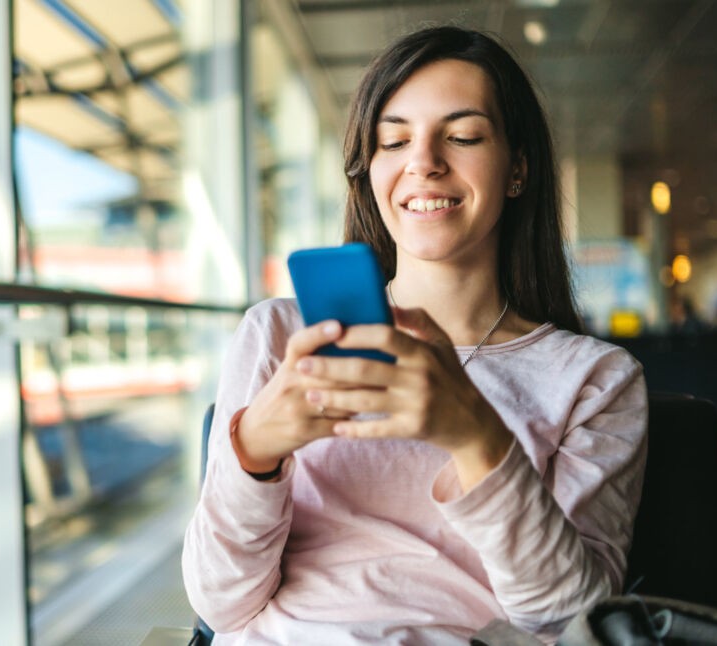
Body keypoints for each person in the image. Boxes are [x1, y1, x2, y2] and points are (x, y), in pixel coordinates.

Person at [182, 26, 647, 644]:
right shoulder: (277, 334)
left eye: (462, 136)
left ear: (517, 170)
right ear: (371, 172)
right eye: (394, 140)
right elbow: (220, 606)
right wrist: (256, 452)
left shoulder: (598, 379)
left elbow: (571, 620)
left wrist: (478, 438)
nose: (423, 162)